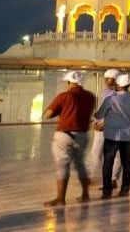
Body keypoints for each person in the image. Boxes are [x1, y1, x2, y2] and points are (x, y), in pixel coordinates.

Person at [43, 71, 96, 206]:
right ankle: (85, 194)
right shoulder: (91, 96)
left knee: (62, 165)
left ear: (68, 83)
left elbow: (48, 114)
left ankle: (61, 198)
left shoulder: (64, 96)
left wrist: (59, 111)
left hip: (64, 135)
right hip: (82, 136)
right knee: (81, 165)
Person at [95, 74, 130, 198]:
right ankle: (125, 189)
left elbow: (99, 115)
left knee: (108, 163)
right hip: (126, 136)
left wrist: (98, 114)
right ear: (129, 85)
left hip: (111, 135)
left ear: (118, 85)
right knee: (126, 162)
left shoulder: (111, 100)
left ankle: (107, 190)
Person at [88, 69, 122, 190]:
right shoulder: (105, 92)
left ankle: (112, 179)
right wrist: (95, 121)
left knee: (115, 154)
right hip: (101, 128)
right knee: (95, 152)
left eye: (111, 79)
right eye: (106, 79)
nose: (108, 82)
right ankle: (91, 175)